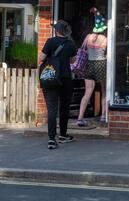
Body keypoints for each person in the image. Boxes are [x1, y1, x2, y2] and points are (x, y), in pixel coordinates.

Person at [39, 20, 77, 150]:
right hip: (65, 78)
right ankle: (63, 135)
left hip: (51, 78)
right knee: (64, 108)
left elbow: (41, 58)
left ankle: (51, 139)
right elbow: (72, 61)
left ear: (56, 30)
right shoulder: (70, 44)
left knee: (52, 109)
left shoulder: (50, 41)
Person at [77, 10, 107, 126]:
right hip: (101, 64)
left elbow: (82, 49)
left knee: (88, 91)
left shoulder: (88, 37)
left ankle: (80, 117)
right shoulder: (105, 39)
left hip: (89, 64)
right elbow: (107, 53)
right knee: (104, 91)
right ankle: (103, 116)